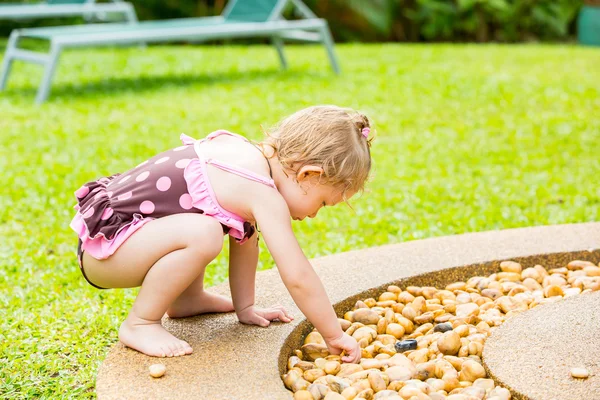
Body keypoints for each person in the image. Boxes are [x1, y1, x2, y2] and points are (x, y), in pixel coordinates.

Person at [70, 105, 373, 363]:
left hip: (122, 242)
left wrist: (246, 307)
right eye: (321, 202)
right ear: (308, 174)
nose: (314, 214)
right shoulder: (262, 193)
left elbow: (246, 241)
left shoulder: (249, 161)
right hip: (108, 252)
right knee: (204, 233)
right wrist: (333, 333)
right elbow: (297, 274)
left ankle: (187, 300)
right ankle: (140, 322)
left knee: (205, 227)